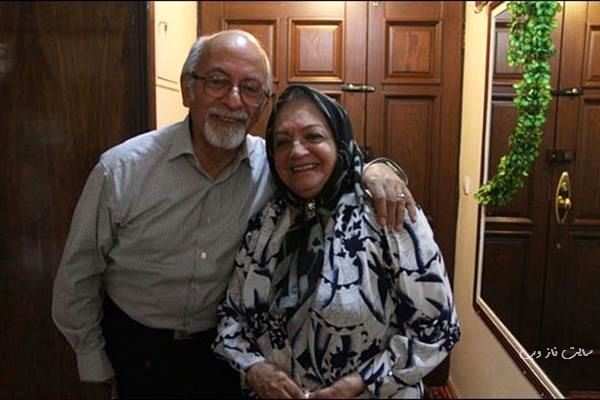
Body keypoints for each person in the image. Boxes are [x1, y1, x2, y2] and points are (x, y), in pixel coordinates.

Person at [51, 30, 415, 399]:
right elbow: (78, 277)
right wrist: (95, 366)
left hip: (225, 355)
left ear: (264, 104)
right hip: (138, 348)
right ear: (188, 89)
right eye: (218, 81)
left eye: (251, 88)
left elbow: (331, 169)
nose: (233, 99)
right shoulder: (121, 171)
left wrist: (379, 169)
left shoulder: (276, 168)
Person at [212, 84, 460, 399]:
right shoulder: (267, 221)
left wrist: (359, 384)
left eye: (313, 136)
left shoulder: (388, 213)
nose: (297, 150)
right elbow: (231, 316)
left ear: (339, 142)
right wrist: (254, 369)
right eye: (282, 141)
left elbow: (437, 328)